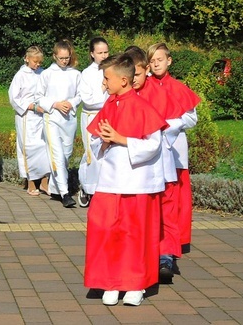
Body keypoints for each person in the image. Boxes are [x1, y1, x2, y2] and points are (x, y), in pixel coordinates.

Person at [84, 54, 167, 307]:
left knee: (135, 234)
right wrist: (104, 140)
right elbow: (97, 137)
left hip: (136, 182)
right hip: (110, 180)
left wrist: (121, 139)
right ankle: (111, 281)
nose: (104, 83)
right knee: (106, 230)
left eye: (107, 78)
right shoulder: (110, 103)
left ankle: (136, 284)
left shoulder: (143, 107)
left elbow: (153, 144)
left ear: (123, 80)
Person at [125, 45, 185, 284]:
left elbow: (179, 119)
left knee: (165, 213)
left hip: (162, 163)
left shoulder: (159, 91)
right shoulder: (123, 95)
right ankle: (142, 256)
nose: (132, 79)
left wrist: (163, 132)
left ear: (145, 70)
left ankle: (165, 257)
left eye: (136, 75)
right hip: (136, 169)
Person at [148, 43, 200, 271]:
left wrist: (173, 124)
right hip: (150, 148)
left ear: (169, 60)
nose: (156, 63)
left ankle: (172, 243)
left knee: (175, 198)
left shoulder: (178, 87)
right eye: (152, 60)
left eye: (160, 59)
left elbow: (191, 118)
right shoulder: (144, 85)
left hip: (175, 146)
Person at [37, 40, 82, 207]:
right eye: (61, 58)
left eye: (67, 58)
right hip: (52, 118)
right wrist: (55, 104)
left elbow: (80, 94)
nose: (64, 61)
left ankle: (55, 188)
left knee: (65, 155)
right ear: (55, 56)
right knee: (56, 154)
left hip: (69, 119)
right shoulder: (47, 74)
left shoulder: (76, 74)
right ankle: (65, 193)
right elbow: (39, 96)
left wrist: (71, 103)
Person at [8, 46, 50, 195]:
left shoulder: (43, 73)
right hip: (26, 116)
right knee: (28, 148)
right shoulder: (20, 75)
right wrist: (30, 106)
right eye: (35, 62)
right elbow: (14, 97)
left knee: (43, 147)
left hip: (41, 115)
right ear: (27, 59)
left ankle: (45, 181)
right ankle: (31, 182)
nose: (37, 65)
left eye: (39, 62)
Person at [77, 37, 110, 204]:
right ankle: (87, 186)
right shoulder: (87, 73)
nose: (103, 56)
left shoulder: (113, 68)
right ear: (92, 54)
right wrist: (103, 87)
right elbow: (88, 99)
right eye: (100, 53)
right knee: (91, 153)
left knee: (106, 153)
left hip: (109, 114)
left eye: (106, 52)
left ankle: (102, 187)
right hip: (92, 116)